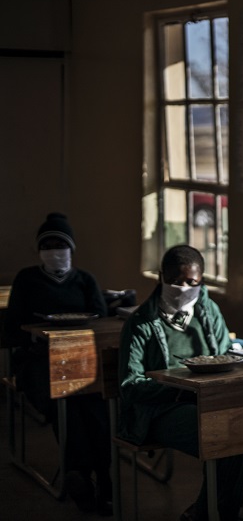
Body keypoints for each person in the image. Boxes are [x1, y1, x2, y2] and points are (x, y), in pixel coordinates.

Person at [118, 244, 243, 521]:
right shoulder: (142, 323)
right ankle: (210, 513)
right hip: (160, 410)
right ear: (161, 278)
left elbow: (226, 356)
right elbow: (129, 385)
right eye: (176, 281)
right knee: (221, 434)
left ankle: (215, 511)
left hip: (208, 402)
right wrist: (174, 389)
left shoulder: (208, 311)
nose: (183, 288)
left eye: (192, 282)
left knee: (240, 433)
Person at [3, 212, 112, 515]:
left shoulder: (84, 280)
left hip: (81, 360)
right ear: (39, 251)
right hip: (37, 362)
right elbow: (11, 330)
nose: (54, 251)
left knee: (97, 407)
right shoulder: (27, 280)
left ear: (72, 249)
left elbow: (101, 322)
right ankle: (79, 474)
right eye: (47, 245)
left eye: (60, 245)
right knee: (67, 407)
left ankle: (104, 475)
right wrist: (37, 335)